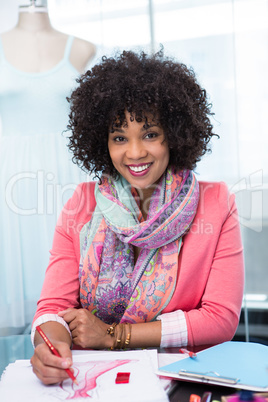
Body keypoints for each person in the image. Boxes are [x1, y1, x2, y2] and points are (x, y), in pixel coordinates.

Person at [30, 49, 244, 385]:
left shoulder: (216, 202)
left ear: (173, 134)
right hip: (94, 378)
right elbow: (53, 308)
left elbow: (220, 319)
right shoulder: (81, 202)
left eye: (150, 134)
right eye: (119, 138)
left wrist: (115, 336)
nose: (135, 152)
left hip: (181, 378)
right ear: (103, 143)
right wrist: (52, 346)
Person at [0, 0, 96, 335]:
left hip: (68, 177)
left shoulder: (82, 48)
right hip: (11, 182)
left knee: (71, 284)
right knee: (13, 282)